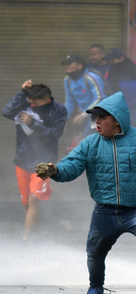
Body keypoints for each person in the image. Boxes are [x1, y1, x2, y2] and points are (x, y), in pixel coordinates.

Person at [35, 92, 136, 294]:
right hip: (105, 210)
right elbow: (72, 166)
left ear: (116, 120)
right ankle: (95, 288)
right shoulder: (90, 144)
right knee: (95, 251)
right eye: (94, 118)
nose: (96, 122)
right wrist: (55, 171)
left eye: (101, 118)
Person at [2, 80, 67, 240]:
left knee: (34, 199)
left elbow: (54, 134)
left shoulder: (59, 110)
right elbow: (6, 111)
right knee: (26, 202)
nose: (32, 106)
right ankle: (37, 235)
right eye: (30, 102)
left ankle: (25, 239)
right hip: (23, 159)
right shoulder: (25, 104)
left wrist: (33, 123)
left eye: (36, 103)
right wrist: (22, 92)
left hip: (46, 160)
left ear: (47, 100)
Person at [61, 53, 106, 138]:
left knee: (88, 135)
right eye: (66, 64)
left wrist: (84, 114)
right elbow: (69, 101)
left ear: (80, 66)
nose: (67, 66)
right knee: (76, 135)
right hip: (84, 115)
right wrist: (65, 119)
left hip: (99, 113)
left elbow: (100, 98)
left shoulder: (91, 77)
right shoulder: (68, 80)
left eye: (70, 64)